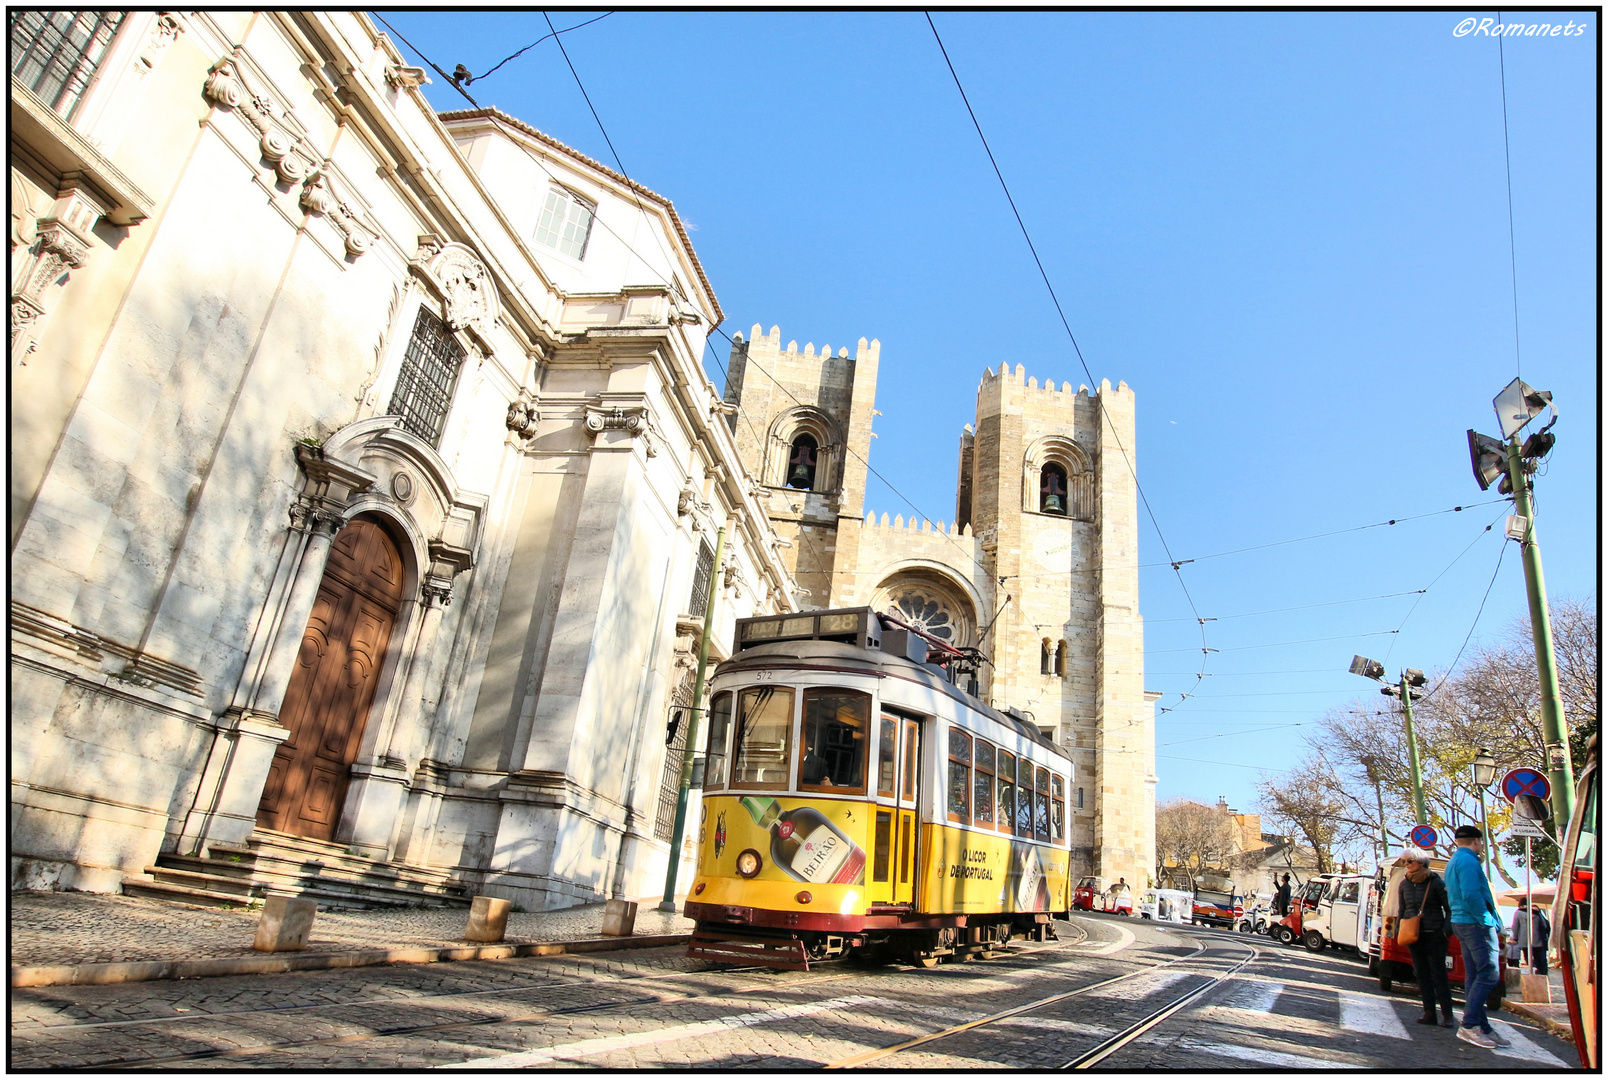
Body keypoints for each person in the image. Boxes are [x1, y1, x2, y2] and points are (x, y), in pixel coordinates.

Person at [1444, 825, 1508, 1049]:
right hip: (1475, 923)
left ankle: (1482, 1026)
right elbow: (1471, 894)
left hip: (1461, 922)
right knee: (1489, 973)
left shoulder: (1454, 860)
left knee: (1474, 974)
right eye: (1481, 843)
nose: (1482, 846)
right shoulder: (1470, 861)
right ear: (1477, 841)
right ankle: (1470, 1025)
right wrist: (1486, 920)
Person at [1398, 849, 1456, 1028]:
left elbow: (1450, 909)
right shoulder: (1404, 885)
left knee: (1439, 975)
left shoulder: (1436, 883)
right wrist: (1401, 928)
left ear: (1422, 862)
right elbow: (1402, 910)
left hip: (1434, 934)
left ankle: (1447, 1015)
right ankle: (1429, 1013)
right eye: (1405, 862)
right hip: (1414, 935)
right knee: (1421, 975)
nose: (1407, 865)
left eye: (1410, 861)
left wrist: (1445, 931)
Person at [1510, 898, 1551, 976]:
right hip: (1538, 940)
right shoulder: (1537, 912)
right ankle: (1542, 973)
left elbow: (1515, 927)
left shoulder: (1518, 913)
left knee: (1529, 959)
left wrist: (1515, 938)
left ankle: (1533, 973)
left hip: (1525, 941)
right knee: (1540, 959)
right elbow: (1545, 925)